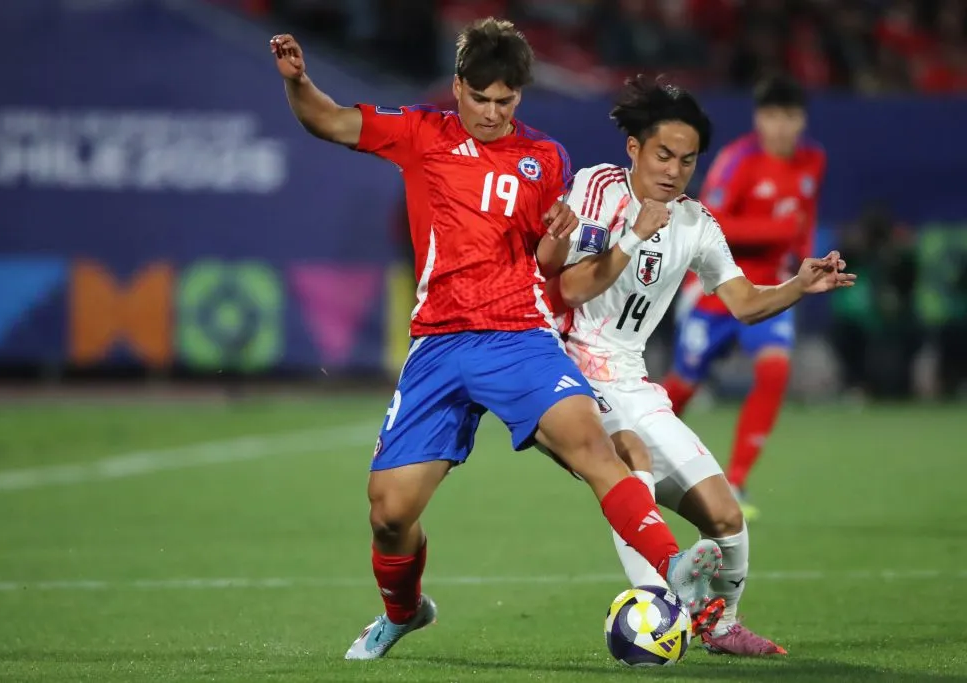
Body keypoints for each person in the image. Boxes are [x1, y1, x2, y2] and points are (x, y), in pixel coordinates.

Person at [269, 19, 725, 662]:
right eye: (479, 98)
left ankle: (673, 568)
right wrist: (299, 83)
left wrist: (562, 235)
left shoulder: (547, 158)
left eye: (505, 101)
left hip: (517, 335)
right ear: (457, 88)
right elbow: (330, 121)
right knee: (389, 513)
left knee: (594, 447)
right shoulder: (420, 133)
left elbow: (547, 262)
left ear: (520, 97)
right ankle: (404, 612)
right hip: (438, 344)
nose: (491, 112)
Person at [539, 75, 854, 655]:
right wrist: (632, 238)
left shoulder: (697, 224)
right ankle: (658, 602)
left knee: (727, 516)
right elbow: (568, 289)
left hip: (630, 377)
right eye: (663, 154)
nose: (674, 170)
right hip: (564, 368)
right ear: (633, 147)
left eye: (686, 160)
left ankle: (722, 625)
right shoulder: (595, 190)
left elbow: (742, 302)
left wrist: (797, 285)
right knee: (628, 453)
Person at [659, 75, 826, 520]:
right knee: (684, 384)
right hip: (718, 286)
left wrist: (805, 263)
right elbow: (709, 221)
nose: (781, 126)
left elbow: (804, 220)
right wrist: (778, 231)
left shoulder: (813, 160)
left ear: (802, 119)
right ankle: (632, 454)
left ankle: (735, 481)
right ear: (758, 118)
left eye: (790, 116)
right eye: (772, 116)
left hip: (771, 286)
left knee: (774, 371)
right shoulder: (738, 161)